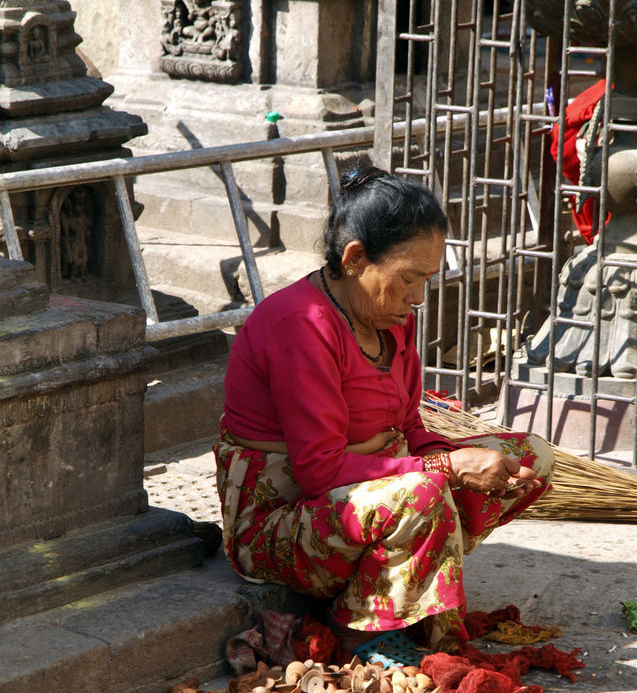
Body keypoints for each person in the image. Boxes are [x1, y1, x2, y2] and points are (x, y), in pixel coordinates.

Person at [214, 166, 554, 651]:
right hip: (281, 522)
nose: (417, 298)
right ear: (355, 259)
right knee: (424, 493)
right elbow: (318, 471)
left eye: (426, 281)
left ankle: (404, 578)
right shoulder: (301, 324)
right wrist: (447, 467)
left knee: (532, 457)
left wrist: (447, 461)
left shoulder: (392, 317)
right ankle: (360, 625)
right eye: (408, 279)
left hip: (365, 495)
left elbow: (410, 425)